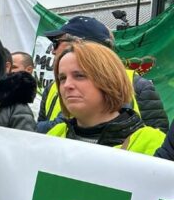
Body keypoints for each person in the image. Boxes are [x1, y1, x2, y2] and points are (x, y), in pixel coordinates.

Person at [37, 16, 168, 133]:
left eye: (56, 43)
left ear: (80, 44)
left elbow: (159, 143)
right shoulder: (52, 88)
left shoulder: (138, 86)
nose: (53, 51)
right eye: (63, 78)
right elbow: (39, 136)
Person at [47, 41, 165, 154]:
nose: (67, 85)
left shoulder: (154, 143)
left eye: (79, 76)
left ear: (108, 79)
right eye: (62, 78)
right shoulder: (53, 135)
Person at [11, 51, 41, 119]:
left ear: (29, 69)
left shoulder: (34, 102)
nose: (8, 71)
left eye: (13, 67)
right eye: (7, 66)